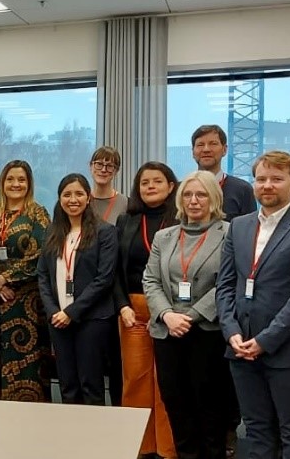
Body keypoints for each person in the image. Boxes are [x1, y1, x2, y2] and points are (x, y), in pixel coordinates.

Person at [215, 151, 290, 459]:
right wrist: (230, 331)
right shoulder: (238, 226)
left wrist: (265, 341)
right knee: (255, 430)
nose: (267, 185)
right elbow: (226, 285)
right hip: (240, 348)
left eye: (276, 179)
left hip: (288, 351)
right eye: (261, 179)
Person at [145, 171, 237, 459]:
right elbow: (151, 280)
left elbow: (229, 281)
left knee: (209, 408)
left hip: (206, 333)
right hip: (167, 332)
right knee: (176, 405)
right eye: (188, 195)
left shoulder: (231, 233)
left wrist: (193, 315)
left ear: (214, 199)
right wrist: (167, 315)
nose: (194, 201)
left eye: (201, 195)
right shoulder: (164, 236)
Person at [114, 161, 180, 457]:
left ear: (171, 186)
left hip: (172, 311)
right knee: (136, 379)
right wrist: (122, 305)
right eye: (144, 182)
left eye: (157, 181)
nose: (150, 186)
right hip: (134, 311)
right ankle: (140, 446)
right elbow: (112, 270)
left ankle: (168, 448)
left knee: (166, 381)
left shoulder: (181, 219)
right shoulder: (126, 221)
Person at [36, 173, 118, 406]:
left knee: (90, 383)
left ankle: (94, 438)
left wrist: (71, 312)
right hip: (58, 319)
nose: (73, 199)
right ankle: (70, 436)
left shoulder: (105, 232)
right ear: (60, 198)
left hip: (91, 319)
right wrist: (54, 311)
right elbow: (42, 274)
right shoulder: (53, 232)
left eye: (79, 194)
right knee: (67, 382)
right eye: (67, 194)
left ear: (88, 197)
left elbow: (104, 279)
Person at [0, 160, 52, 402]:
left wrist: (5, 278)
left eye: (21, 180)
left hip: (27, 303)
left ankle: (30, 415)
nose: (16, 184)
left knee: (27, 360)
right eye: (11, 179)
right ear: (2, 183)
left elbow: (41, 254)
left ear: (29, 184)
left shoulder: (38, 213)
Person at [191, 125, 256, 219]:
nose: (206, 149)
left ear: (224, 150)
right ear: (193, 152)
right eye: (200, 145)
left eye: (213, 144)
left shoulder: (242, 190)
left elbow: (250, 229)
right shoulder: (180, 190)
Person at [89, 146, 129, 222]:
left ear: (116, 171)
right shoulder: (82, 201)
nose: (103, 170)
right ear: (91, 166)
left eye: (110, 166)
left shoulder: (126, 204)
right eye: (99, 164)